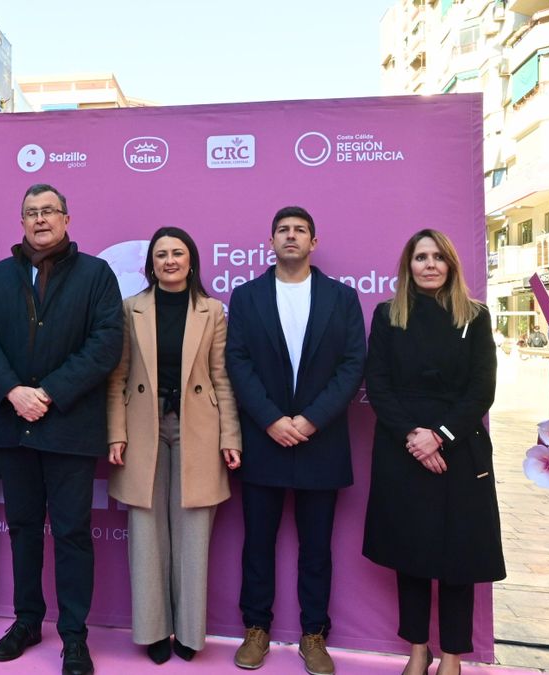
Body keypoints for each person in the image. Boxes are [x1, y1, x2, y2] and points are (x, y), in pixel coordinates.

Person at [0, 184, 123, 675]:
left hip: (69, 426)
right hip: (13, 425)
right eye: (31, 212)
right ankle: (27, 621)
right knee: (23, 529)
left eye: (48, 211)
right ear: (22, 223)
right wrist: (13, 391)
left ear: (66, 219)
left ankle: (74, 636)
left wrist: (50, 392)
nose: (40, 219)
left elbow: (106, 344)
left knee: (73, 532)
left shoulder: (96, 274)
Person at [225, 206, 366, 674]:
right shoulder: (247, 297)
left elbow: (352, 365)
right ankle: (256, 629)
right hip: (264, 438)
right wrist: (270, 419)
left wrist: (310, 420)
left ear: (313, 242)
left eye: (299, 230)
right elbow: (237, 363)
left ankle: (314, 634)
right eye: (283, 230)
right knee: (257, 544)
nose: (291, 236)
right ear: (271, 242)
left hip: (320, 442)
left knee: (317, 548)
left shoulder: (341, 298)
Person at [362, 229, 504, 675]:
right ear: (409, 265)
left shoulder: (475, 316)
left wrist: (439, 435)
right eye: (421, 257)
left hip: (459, 448)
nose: (429, 264)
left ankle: (453, 656)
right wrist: (414, 437)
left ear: (451, 265)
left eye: (438, 257)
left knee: (459, 557)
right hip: (402, 447)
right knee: (412, 554)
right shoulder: (388, 315)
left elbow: (482, 389)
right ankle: (418, 650)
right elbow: (377, 384)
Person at [106, 227, 242, 664]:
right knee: (146, 534)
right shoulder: (131, 308)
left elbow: (222, 377)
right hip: (142, 427)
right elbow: (118, 377)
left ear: (191, 260)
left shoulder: (212, 310)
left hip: (197, 428)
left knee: (193, 535)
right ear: (151, 264)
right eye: (161, 254)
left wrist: (230, 436)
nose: (169, 261)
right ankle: (153, 632)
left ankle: (188, 632)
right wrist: (116, 433)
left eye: (177, 253)